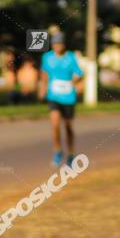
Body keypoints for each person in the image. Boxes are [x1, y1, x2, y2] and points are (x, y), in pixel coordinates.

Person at [38, 32, 83, 167]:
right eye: (55, 44)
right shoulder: (47, 57)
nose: (58, 46)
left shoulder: (70, 57)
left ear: (64, 45)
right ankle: (57, 151)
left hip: (68, 96)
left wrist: (74, 82)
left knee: (68, 127)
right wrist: (42, 89)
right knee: (55, 123)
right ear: (52, 45)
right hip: (54, 95)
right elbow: (44, 74)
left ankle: (70, 154)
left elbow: (80, 73)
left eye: (60, 44)